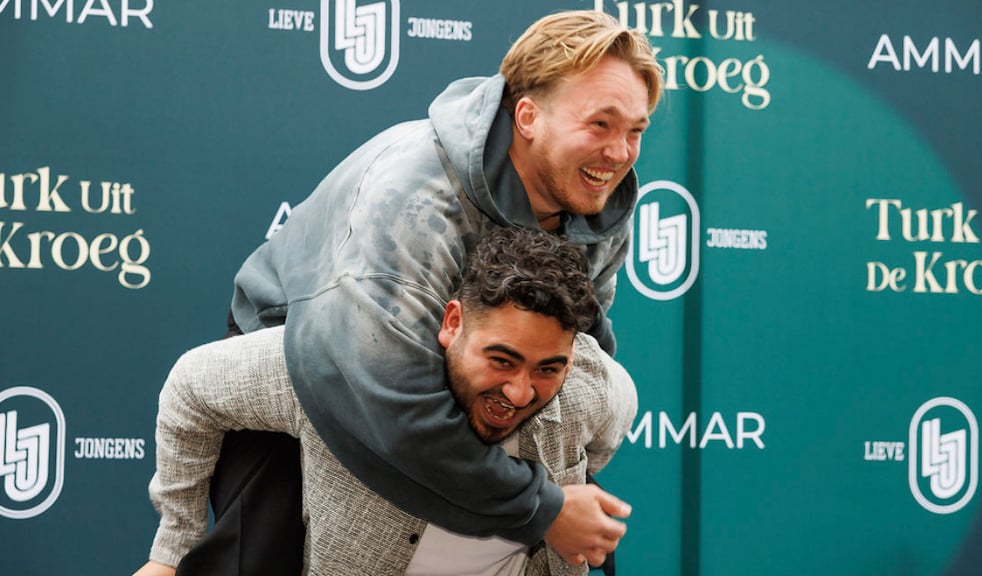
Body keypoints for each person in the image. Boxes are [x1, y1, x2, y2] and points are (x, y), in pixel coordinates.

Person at [175, 9, 663, 574]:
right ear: (528, 117)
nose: (619, 153)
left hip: (459, 375)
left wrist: (560, 484)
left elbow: (581, 356)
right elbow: (390, 402)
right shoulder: (414, 197)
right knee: (265, 561)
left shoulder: (599, 199)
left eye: (635, 131)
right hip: (313, 367)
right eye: (600, 124)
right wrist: (542, 507)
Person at [135, 226, 638, 575]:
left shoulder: (591, 386)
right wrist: (171, 551)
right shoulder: (347, 367)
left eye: (548, 369)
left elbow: (609, 428)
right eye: (501, 360)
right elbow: (192, 386)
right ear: (453, 322)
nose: (520, 392)